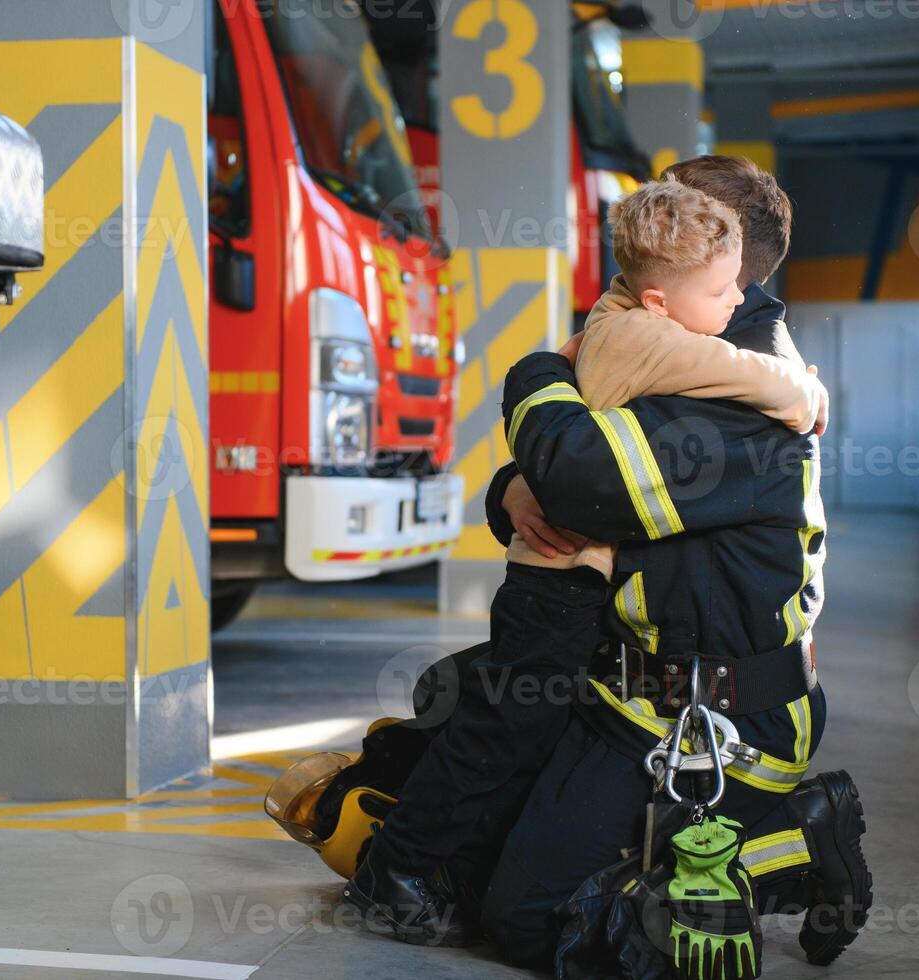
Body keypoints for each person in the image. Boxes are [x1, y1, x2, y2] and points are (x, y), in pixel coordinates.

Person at [342, 177, 830, 946]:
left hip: (717, 713)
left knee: (526, 918)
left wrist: (534, 374)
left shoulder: (730, 389)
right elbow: (569, 464)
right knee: (460, 704)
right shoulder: (666, 338)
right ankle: (413, 861)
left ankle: (799, 846)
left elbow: (578, 475)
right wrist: (512, 486)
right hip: (620, 660)